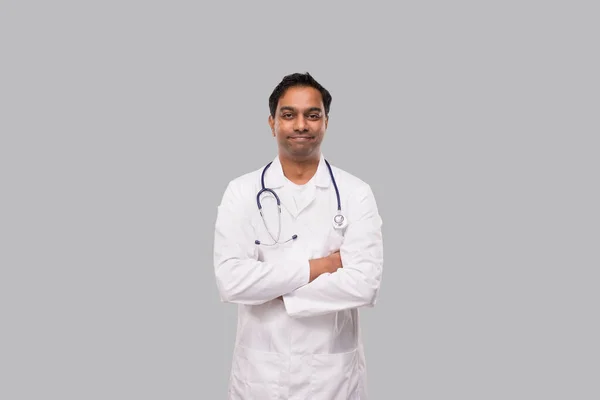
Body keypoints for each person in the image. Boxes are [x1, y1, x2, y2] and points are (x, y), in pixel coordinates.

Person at [213, 72, 384, 399]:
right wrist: (321, 267)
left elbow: (365, 285)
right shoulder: (241, 192)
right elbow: (231, 281)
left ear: (326, 123)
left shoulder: (355, 193)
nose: (301, 124)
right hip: (260, 374)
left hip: (333, 377)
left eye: (312, 115)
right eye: (288, 114)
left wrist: (273, 289)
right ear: (272, 122)